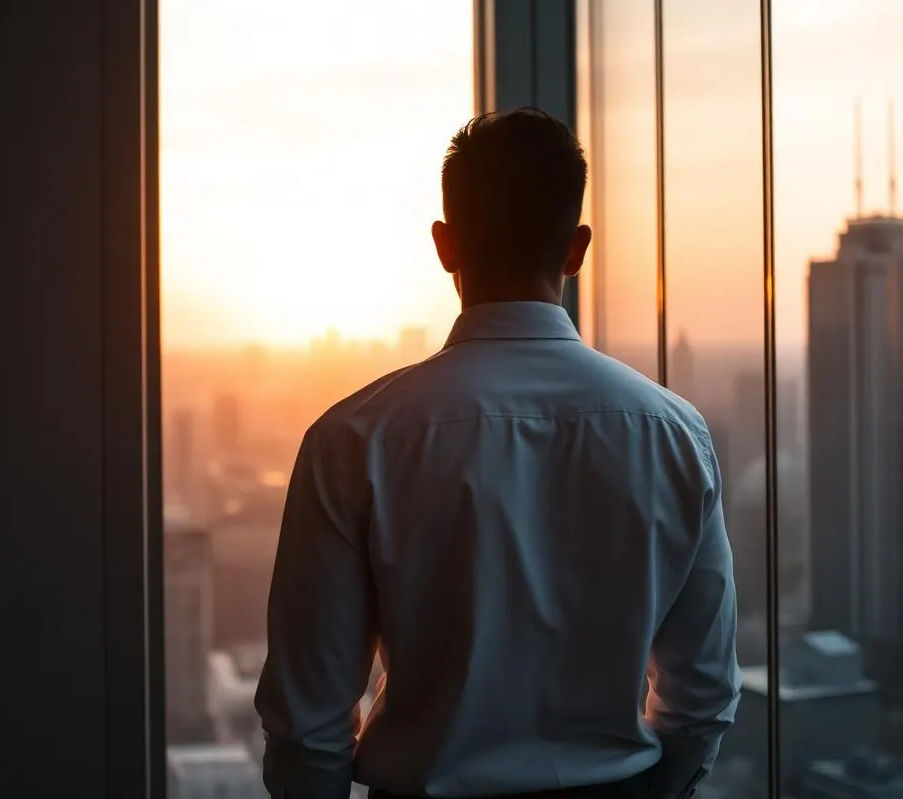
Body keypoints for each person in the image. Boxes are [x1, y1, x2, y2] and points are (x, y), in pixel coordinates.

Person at [256, 108, 740, 799]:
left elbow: (309, 728)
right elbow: (703, 698)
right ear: (577, 249)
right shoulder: (674, 435)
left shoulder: (353, 440)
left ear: (445, 245)